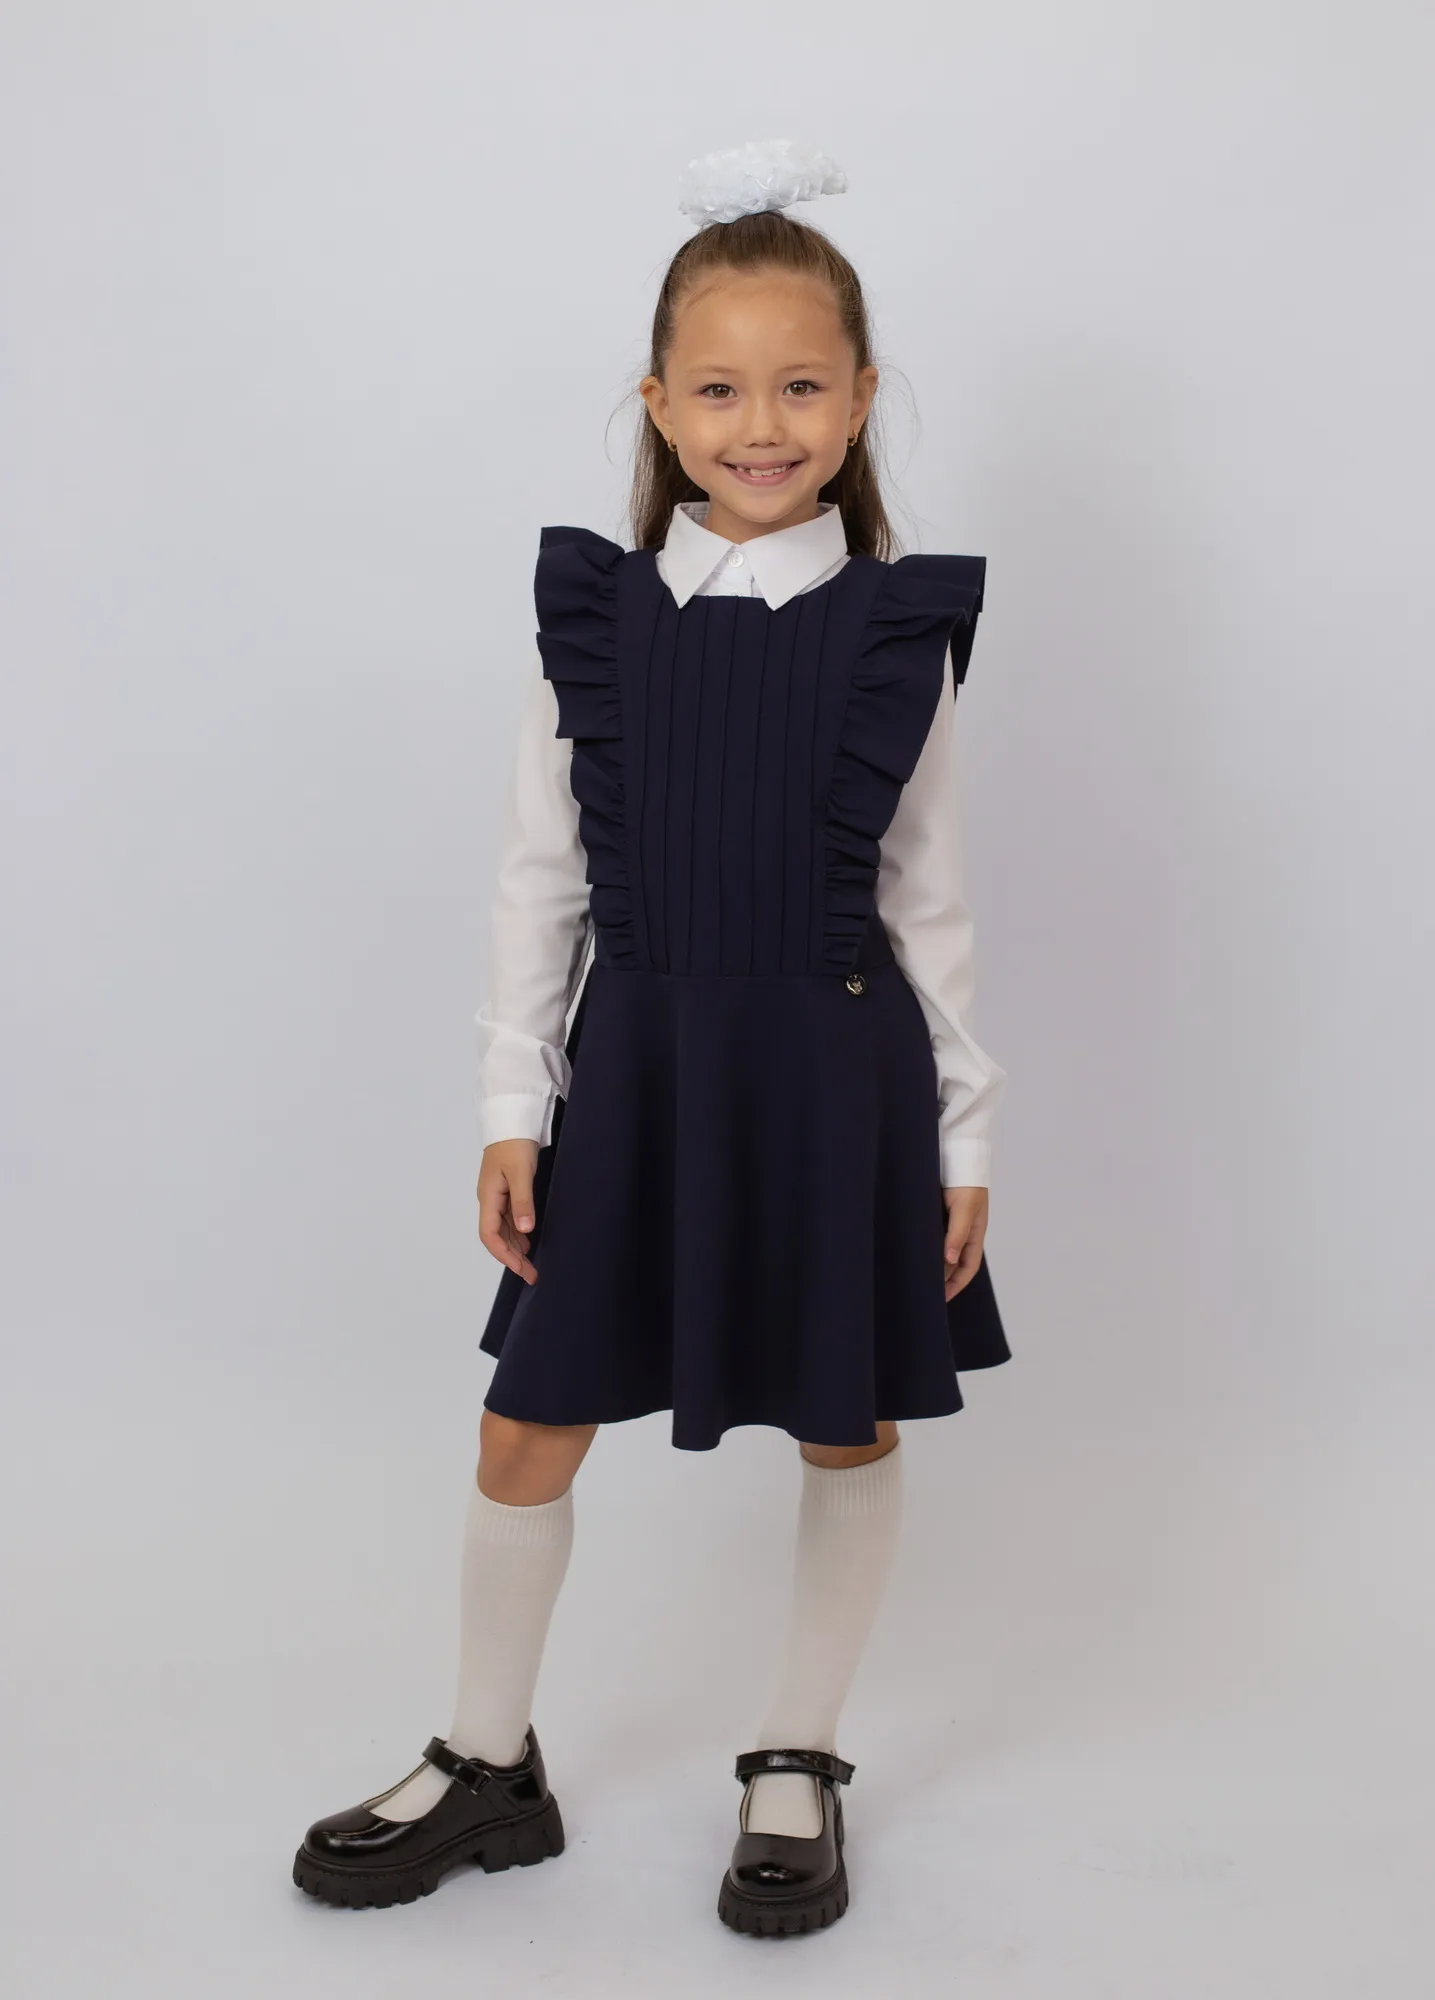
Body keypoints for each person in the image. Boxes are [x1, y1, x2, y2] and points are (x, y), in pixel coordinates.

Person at [292, 137, 1011, 1937]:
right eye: (721, 388)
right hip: (636, 1079)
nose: (761, 425)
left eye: (801, 386)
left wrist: (966, 1139)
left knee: (845, 1420)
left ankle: (799, 1756)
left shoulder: (896, 634)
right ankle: (489, 1761)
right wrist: (509, 1099)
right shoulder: (596, 623)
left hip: (838, 1083)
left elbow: (930, 902)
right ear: (661, 403)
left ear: (860, 400)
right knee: (527, 1424)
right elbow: (539, 879)